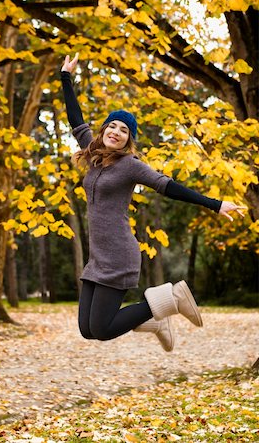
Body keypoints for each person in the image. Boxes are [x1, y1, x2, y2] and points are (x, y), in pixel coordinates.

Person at [60, 54, 246, 352]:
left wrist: (215, 204)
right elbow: (75, 118)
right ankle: (157, 319)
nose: (116, 132)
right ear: (104, 129)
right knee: (87, 330)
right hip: (97, 257)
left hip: (118, 255)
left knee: (103, 329)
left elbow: (168, 187)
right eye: (113, 126)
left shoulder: (131, 165)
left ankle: (171, 298)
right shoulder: (92, 153)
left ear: (128, 140)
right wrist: (66, 77)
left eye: (124, 130)